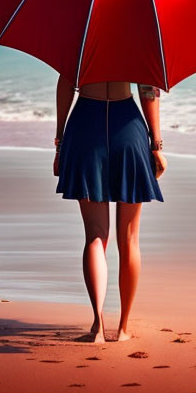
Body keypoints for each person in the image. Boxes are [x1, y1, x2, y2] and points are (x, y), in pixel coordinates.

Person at [53, 75, 167, 343]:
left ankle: (98, 326)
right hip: (127, 127)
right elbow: (148, 88)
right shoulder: (137, 39)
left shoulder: (79, 37)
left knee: (95, 236)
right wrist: (156, 146)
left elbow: (66, 84)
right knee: (130, 240)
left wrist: (59, 143)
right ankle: (124, 328)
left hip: (84, 127)